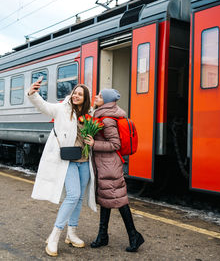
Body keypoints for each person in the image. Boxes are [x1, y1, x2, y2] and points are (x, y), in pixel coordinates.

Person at [27, 79, 96, 257]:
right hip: (68, 160)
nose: (76, 95)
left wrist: (93, 142)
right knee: (73, 195)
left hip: (84, 160)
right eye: (75, 92)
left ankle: (71, 233)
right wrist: (33, 94)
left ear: (85, 98)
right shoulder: (62, 109)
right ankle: (54, 236)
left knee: (79, 198)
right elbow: (44, 107)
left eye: (80, 94)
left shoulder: (90, 114)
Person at [84, 89, 144, 252]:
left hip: (109, 165)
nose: (96, 97)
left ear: (107, 101)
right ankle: (103, 235)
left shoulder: (108, 119)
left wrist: (94, 144)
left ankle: (134, 235)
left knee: (118, 199)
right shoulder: (101, 114)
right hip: (105, 164)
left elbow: (115, 144)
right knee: (107, 197)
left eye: (100, 96)